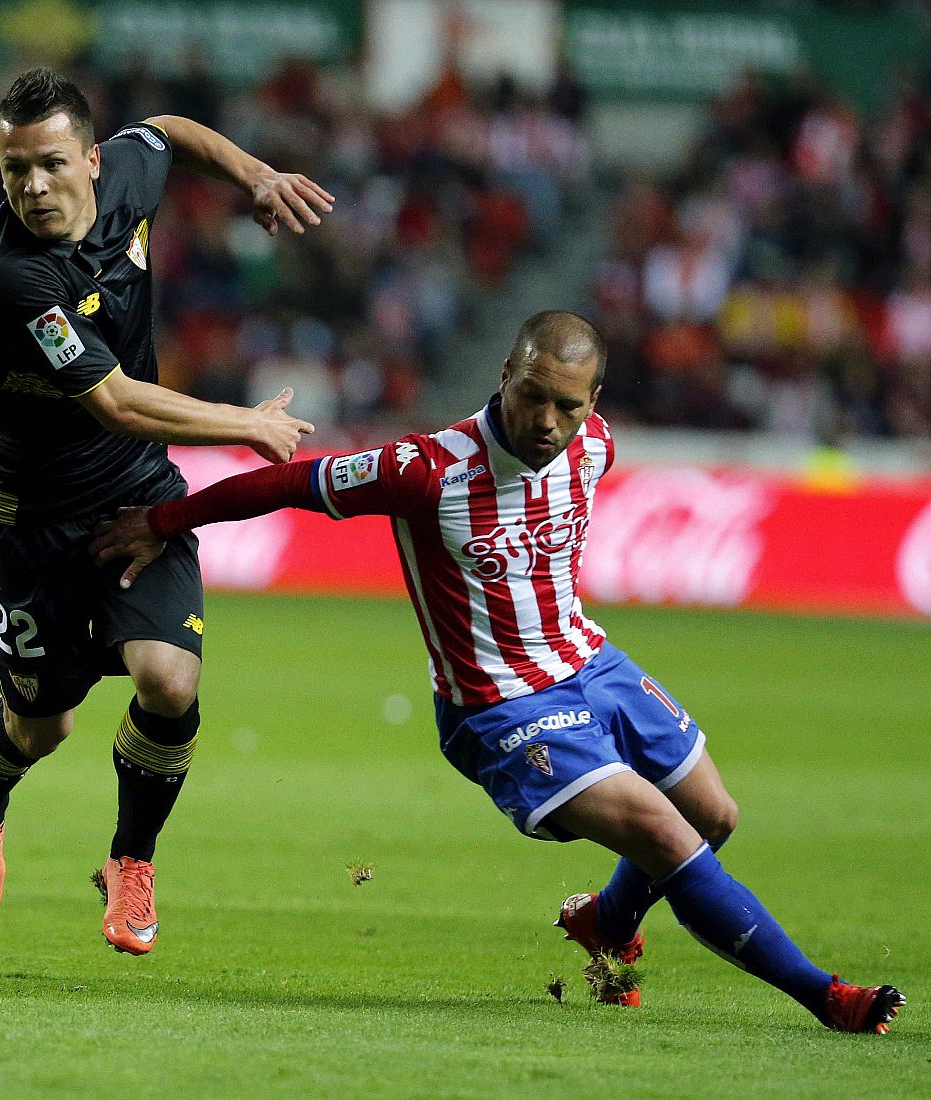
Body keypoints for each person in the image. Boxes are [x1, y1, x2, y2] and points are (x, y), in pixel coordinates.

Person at [90, 310, 906, 1032]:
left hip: (592, 663)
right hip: (500, 707)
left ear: (593, 404)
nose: (549, 421)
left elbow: (568, 484)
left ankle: (609, 922)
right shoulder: (424, 470)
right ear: (504, 376)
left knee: (715, 815)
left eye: (570, 406)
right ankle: (822, 995)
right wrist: (164, 520)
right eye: (534, 397)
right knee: (668, 835)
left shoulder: (597, 446)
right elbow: (286, 482)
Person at [0, 67, 332, 954]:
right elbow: (115, 400)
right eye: (13, 171)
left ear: (90, 158)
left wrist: (255, 176)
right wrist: (243, 422)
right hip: (33, 521)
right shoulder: (13, 275)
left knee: (169, 679)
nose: (32, 187)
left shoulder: (128, 168)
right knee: (42, 726)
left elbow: (168, 126)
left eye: (48, 164)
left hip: (135, 490)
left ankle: (130, 862)